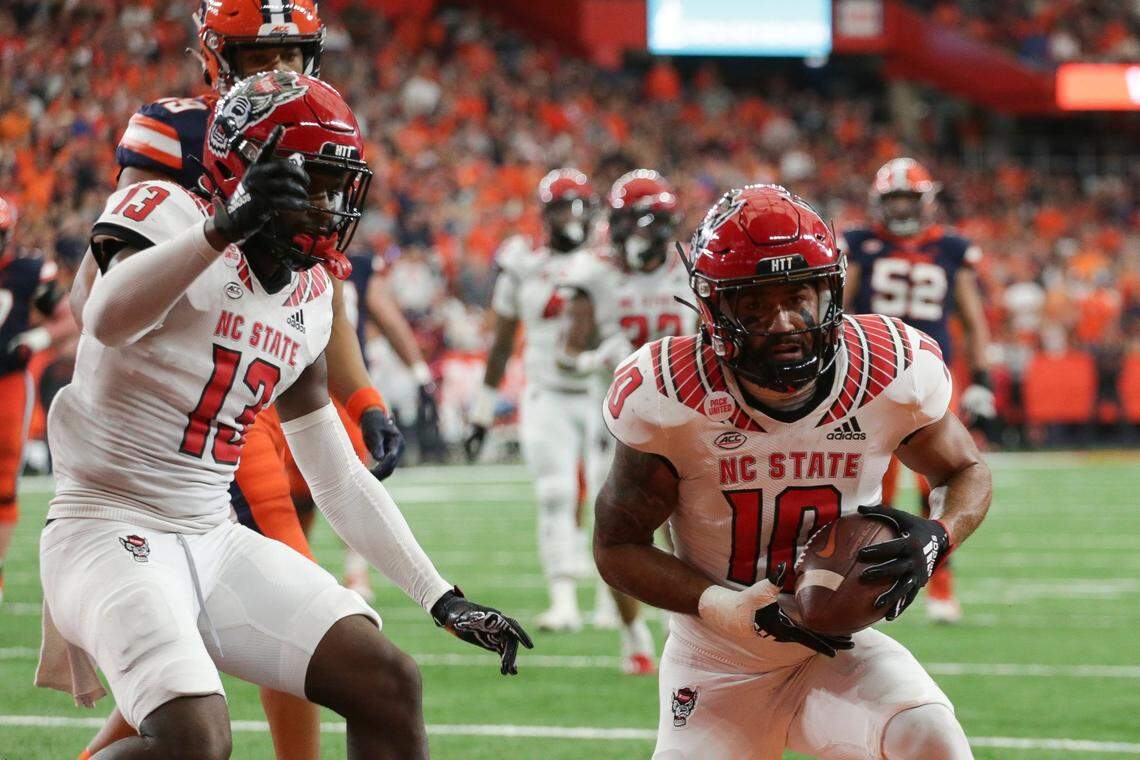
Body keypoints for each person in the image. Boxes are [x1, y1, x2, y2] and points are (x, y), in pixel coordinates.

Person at [38, 71, 531, 760]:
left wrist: (440, 597)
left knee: (387, 682)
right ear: (252, 172)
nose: (330, 207)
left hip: (210, 532)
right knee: (194, 739)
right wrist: (221, 229)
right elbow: (106, 318)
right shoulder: (163, 210)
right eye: (315, 184)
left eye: (338, 185)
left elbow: (334, 474)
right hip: (106, 526)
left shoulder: (310, 293)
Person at [65, 2, 404, 756]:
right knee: (282, 576)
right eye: (259, 56)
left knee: (203, 629)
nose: (280, 73)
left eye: (292, 55)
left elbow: (319, 291)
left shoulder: (321, 121)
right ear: (216, 56)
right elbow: (120, 269)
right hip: (184, 389)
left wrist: (363, 394)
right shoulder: (178, 129)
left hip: (265, 378)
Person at [594, 184, 989, 759]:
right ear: (712, 307)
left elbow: (965, 469)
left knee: (930, 737)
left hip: (838, 647)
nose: (783, 323)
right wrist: (721, 605)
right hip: (718, 661)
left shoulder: (888, 367)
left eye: (799, 296)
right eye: (754, 304)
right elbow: (617, 546)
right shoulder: (670, 391)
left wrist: (941, 532)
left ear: (830, 290)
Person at [841, 157, 993, 623]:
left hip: (931, 377)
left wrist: (982, 377)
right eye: (895, 199)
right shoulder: (859, 246)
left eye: (909, 198)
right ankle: (867, 583)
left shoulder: (951, 248)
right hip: (874, 375)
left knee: (939, 484)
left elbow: (971, 317)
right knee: (871, 488)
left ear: (925, 202)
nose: (902, 207)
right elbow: (841, 312)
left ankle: (940, 581)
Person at [558, 169, 693, 674]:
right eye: (634, 224)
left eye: (651, 223)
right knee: (620, 531)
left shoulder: (691, 270)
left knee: (691, 535)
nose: (643, 234)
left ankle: (686, 628)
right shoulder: (592, 274)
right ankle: (634, 636)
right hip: (618, 426)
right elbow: (566, 352)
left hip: (687, 418)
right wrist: (598, 358)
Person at [464, 168, 602, 632]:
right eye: (563, 207)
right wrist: (483, 412)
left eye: (579, 206)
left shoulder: (608, 263)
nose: (572, 217)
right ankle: (563, 600)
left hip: (603, 393)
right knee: (554, 492)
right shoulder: (523, 262)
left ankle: (609, 600)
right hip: (548, 395)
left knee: (609, 496)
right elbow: (502, 344)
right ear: (546, 215)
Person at [0, 196, 70, 604]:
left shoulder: (27, 270)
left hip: (7, 382)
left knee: (5, 480)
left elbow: (67, 316)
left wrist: (40, 337)